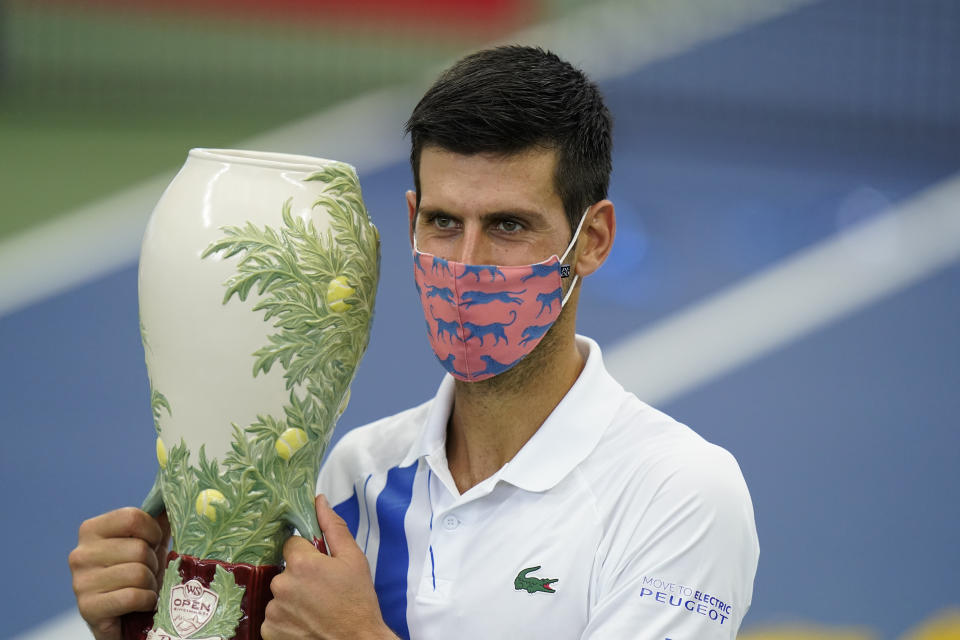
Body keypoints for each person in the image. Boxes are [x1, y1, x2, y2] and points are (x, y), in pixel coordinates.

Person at [69, 45, 758, 640]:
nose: (466, 261)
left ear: (594, 240)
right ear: (409, 221)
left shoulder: (679, 494)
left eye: (509, 225)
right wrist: (153, 623)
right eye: (442, 222)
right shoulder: (354, 477)